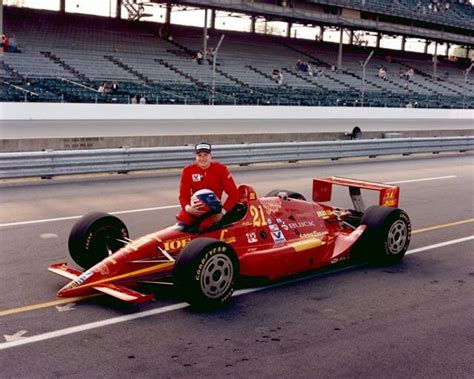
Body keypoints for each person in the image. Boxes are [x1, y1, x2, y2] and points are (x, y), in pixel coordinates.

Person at [177, 142, 240, 227]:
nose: (202, 158)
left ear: (210, 156)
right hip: (195, 208)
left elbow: (234, 193)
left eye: (205, 155)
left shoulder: (221, 169)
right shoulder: (188, 170)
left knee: (204, 227)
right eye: (200, 155)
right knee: (181, 220)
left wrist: (223, 212)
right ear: (196, 157)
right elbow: (183, 195)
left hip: (213, 209)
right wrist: (187, 208)